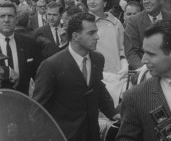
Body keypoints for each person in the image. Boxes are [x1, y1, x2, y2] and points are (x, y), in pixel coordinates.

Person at [33, 12, 119, 141]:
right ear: (75, 36)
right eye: (91, 33)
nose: (97, 37)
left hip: (92, 135)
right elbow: (38, 110)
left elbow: (98, 88)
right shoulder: (51, 66)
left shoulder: (98, 59)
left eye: (96, 32)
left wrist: (113, 113)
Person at [124, 0, 171, 70]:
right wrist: (145, 71)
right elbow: (131, 53)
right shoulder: (134, 21)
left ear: (161, 0)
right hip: (145, 69)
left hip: (170, 69)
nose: (146, 2)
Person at [0, 1, 40, 95]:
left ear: (16, 19)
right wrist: (6, 71)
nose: (6, 20)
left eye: (10, 16)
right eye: (2, 16)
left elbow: (37, 75)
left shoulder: (29, 43)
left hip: (22, 101)